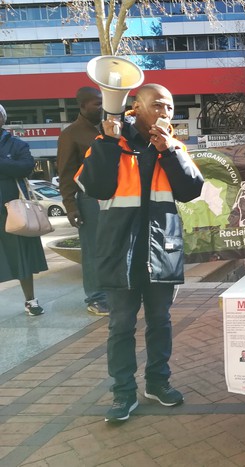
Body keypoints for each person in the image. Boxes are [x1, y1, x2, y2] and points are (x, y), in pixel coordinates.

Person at [75, 83, 204, 423]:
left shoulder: (173, 146)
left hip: (162, 249)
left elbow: (191, 190)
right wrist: (105, 141)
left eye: (170, 108)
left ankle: (158, 383)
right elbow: (93, 187)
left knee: (160, 322)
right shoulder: (109, 143)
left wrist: (169, 152)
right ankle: (123, 393)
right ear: (137, 106)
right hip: (120, 251)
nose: (165, 113)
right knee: (120, 326)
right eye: (158, 106)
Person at [56, 86, 110, 316]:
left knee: (114, 246)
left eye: (103, 103)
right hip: (89, 200)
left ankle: (113, 292)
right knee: (94, 250)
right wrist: (70, 206)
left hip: (117, 197)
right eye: (97, 103)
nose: (101, 107)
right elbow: (66, 174)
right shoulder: (71, 134)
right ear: (82, 106)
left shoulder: (111, 129)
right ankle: (96, 297)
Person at [0, 104, 48, 316]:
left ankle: (30, 300)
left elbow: (25, 167)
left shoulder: (17, 144)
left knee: (22, 258)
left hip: (13, 211)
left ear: (3, 118)